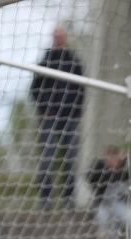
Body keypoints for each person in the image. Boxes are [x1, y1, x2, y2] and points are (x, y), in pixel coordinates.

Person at [30, 24, 84, 208]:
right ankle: (45, 199)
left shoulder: (74, 61)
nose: (59, 38)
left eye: (62, 35)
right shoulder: (45, 61)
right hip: (49, 116)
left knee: (70, 157)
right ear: (53, 37)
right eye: (56, 35)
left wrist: (75, 109)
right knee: (47, 157)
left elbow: (81, 88)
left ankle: (68, 199)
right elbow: (35, 89)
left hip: (70, 116)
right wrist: (45, 108)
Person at [86, 145, 130, 233]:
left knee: (129, 216)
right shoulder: (100, 167)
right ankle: (102, 238)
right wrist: (107, 167)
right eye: (109, 157)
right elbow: (89, 178)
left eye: (114, 156)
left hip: (118, 204)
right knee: (102, 217)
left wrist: (124, 159)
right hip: (102, 204)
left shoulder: (124, 168)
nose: (111, 159)